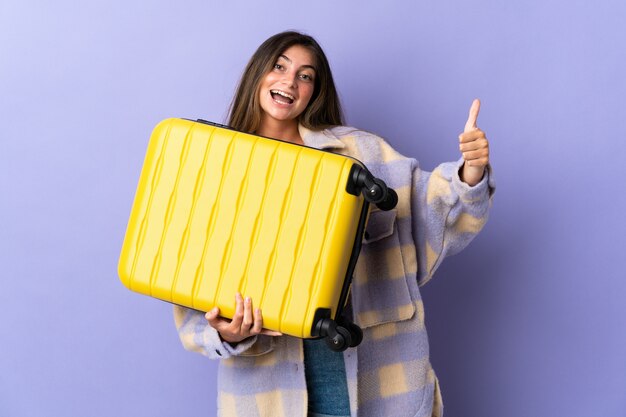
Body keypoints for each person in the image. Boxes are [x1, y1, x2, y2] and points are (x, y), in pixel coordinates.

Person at [173, 31, 494, 417]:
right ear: (257, 74)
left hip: (379, 385)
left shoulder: (362, 154)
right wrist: (227, 332)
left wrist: (470, 172)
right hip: (267, 394)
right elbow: (186, 295)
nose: (290, 82)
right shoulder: (212, 170)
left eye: (306, 76)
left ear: (314, 91)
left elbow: (433, 213)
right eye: (279, 66)